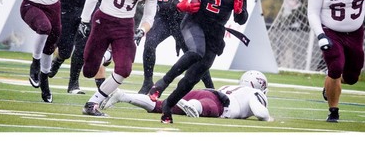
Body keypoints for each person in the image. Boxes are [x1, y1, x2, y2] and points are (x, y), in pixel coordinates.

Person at [147, 0, 254, 123]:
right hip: (194, 22)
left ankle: (168, 106)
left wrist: (240, 10)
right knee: (196, 51)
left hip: (216, 32)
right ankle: (161, 83)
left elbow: (240, 19)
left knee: (193, 76)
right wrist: (177, 3)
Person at [79, 0, 165, 116]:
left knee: (124, 69)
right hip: (103, 20)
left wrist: (142, 30)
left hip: (125, 25)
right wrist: (84, 20)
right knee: (88, 71)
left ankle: (92, 103)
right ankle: (106, 56)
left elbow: (150, 15)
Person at [307, 0, 365, 122]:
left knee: (352, 77)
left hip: (356, 32)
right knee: (336, 66)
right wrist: (321, 35)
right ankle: (333, 111)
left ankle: (331, 84)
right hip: (331, 30)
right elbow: (313, 11)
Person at [100, 70, 273, 121]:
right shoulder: (255, 92)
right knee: (209, 108)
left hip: (206, 92)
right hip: (218, 102)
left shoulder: (232, 86)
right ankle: (191, 105)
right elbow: (261, 113)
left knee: (161, 105)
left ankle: (122, 96)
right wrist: (269, 119)